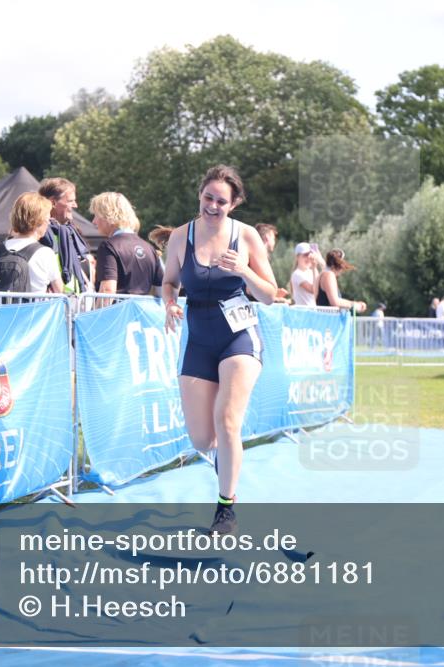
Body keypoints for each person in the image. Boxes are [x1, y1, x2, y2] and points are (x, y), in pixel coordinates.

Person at [161, 165, 278, 536]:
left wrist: (244, 270)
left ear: (235, 203)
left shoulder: (245, 237)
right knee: (203, 439)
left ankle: (225, 509)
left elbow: (270, 296)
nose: (213, 206)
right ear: (200, 196)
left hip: (239, 338)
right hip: (199, 338)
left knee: (227, 419)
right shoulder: (181, 237)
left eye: (221, 201)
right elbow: (169, 282)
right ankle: (227, 464)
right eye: (208, 198)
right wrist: (169, 303)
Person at [90, 192, 163, 296]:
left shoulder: (108, 246)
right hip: (142, 311)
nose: (94, 221)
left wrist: (97, 312)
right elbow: (160, 290)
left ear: (107, 215)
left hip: (117, 311)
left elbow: (107, 291)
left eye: (96, 215)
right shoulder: (149, 248)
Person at [0, 192, 63, 294]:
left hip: (3, 309)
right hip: (35, 308)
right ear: (38, 221)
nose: (48, 223)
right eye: (47, 219)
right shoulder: (45, 253)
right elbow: (59, 291)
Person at [38, 177, 92, 293]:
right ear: (53, 202)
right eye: (70, 201)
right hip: (53, 301)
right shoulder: (39, 233)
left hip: (74, 300)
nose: (75, 205)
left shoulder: (70, 231)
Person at [289, 242, 325, 307]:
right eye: (305, 255)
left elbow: (323, 286)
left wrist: (321, 261)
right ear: (297, 257)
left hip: (312, 311)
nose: (308, 258)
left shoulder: (312, 271)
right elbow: (314, 290)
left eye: (310, 254)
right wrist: (314, 267)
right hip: (304, 313)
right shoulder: (296, 274)